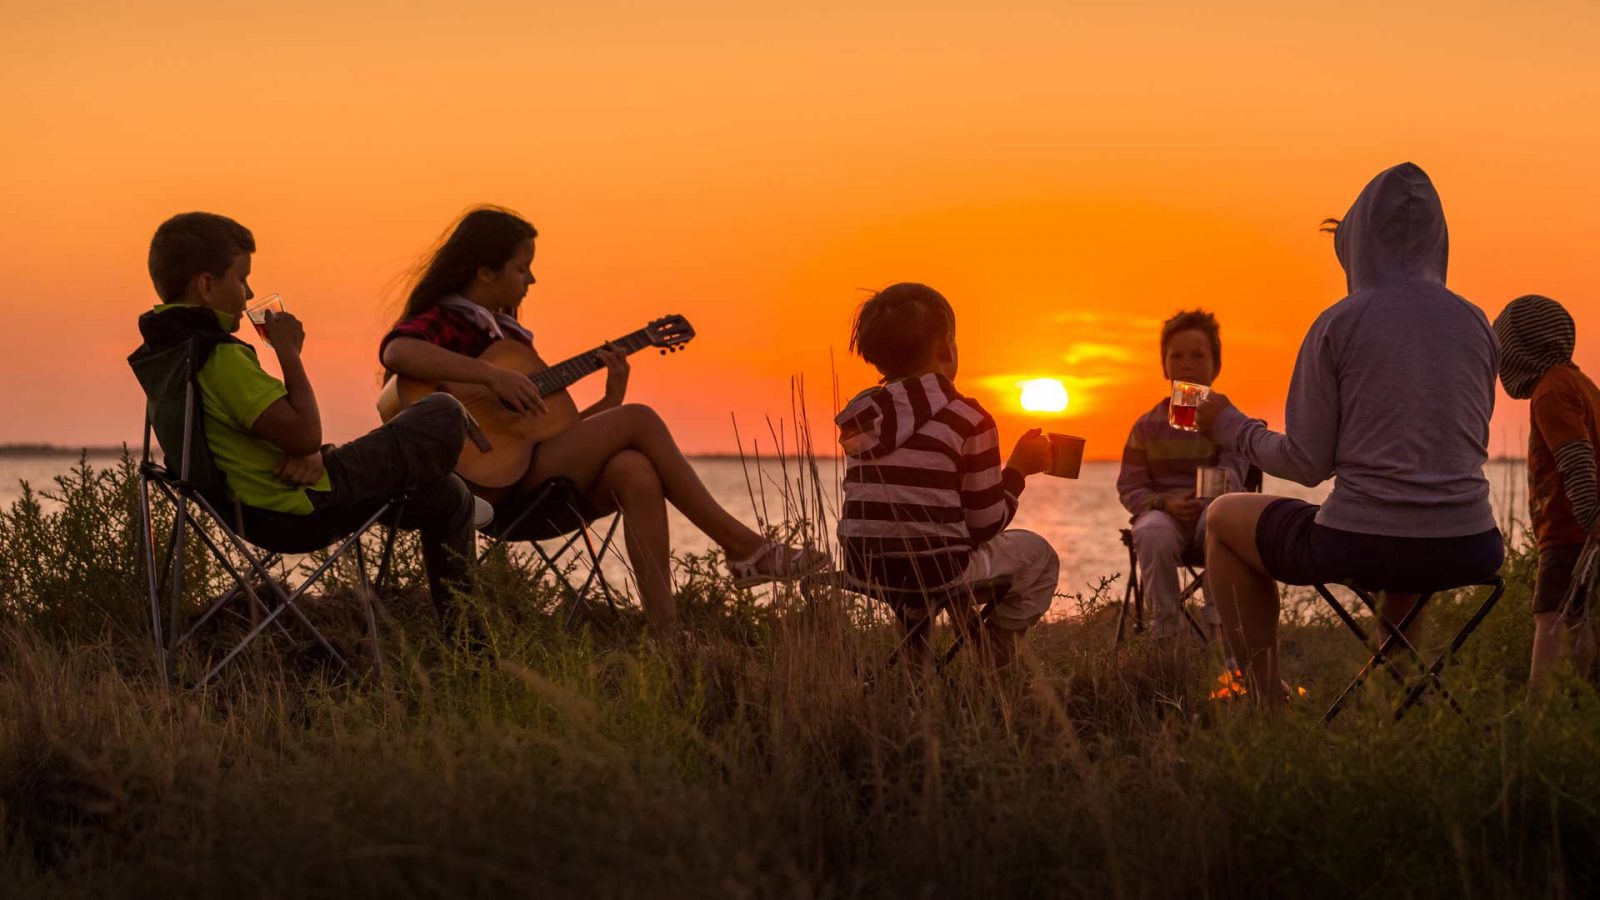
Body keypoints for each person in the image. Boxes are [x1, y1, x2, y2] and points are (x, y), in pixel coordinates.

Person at [378, 207, 825, 632]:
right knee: (642, 419)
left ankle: (664, 634)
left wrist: (610, 400)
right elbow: (397, 351)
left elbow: (541, 438)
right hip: (473, 493)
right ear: (484, 271)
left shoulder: (511, 340)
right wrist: (490, 376)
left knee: (635, 471)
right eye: (521, 267)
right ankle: (743, 548)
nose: (532, 278)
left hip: (528, 488)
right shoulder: (447, 321)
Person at [1196, 163, 1504, 706]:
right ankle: (1396, 691)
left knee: (1222, 518)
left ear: (1359, 245)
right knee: (1407, 525)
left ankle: (1266, 705)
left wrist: (1231, 427)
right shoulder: (1476, 323)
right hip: (1468, 546)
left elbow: (1306, 463)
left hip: (1362, 544)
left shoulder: (1340, 323)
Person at [131, 212, 482, 626]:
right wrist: (289, 354)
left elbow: (283, 437)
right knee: (442, 410)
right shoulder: (219, 357)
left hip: (263, 503)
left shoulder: (168, 352)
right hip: (302, 508)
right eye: (242, 279)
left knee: (448, 496)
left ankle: (470, 649)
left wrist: (310, 452)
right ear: (207, 285)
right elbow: (303, 433)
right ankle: (474, 647)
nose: (249, 294)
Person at [835, 282, 1060, 669]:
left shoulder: (860, 415)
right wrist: (1018, 471)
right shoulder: (969, 418)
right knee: (1039, 555)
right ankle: (995, 654)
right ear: (947, 346)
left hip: (865, 563)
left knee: (923, 547)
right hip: (935, 569)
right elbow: (986, 525)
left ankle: (915, 668)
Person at [1117, 309, 1248, 646]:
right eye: (1177, 356)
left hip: (1213, 513)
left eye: (1197, 356)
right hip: (1165, 515)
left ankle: (1223, 634)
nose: (1186, 364)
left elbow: (1234, 472)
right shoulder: (1146, 427)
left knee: (1221, 523)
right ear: (1164, 366)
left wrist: (1205, 497)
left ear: (1216, 366)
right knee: (1151, 532)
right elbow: (1130, 486)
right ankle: (1166, 633)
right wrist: (1167, 503)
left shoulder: (1229, 423)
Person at [1492, 295, 1600, 691]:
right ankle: (1582, 696)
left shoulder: (1551, 391)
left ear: (1520, 349)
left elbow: (1576, 457)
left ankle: (1541, 708)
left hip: (1568, 527)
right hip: (1582, 530)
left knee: (1549, 614)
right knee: (1576, 613)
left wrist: (1590, 517)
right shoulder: (1579, 382)